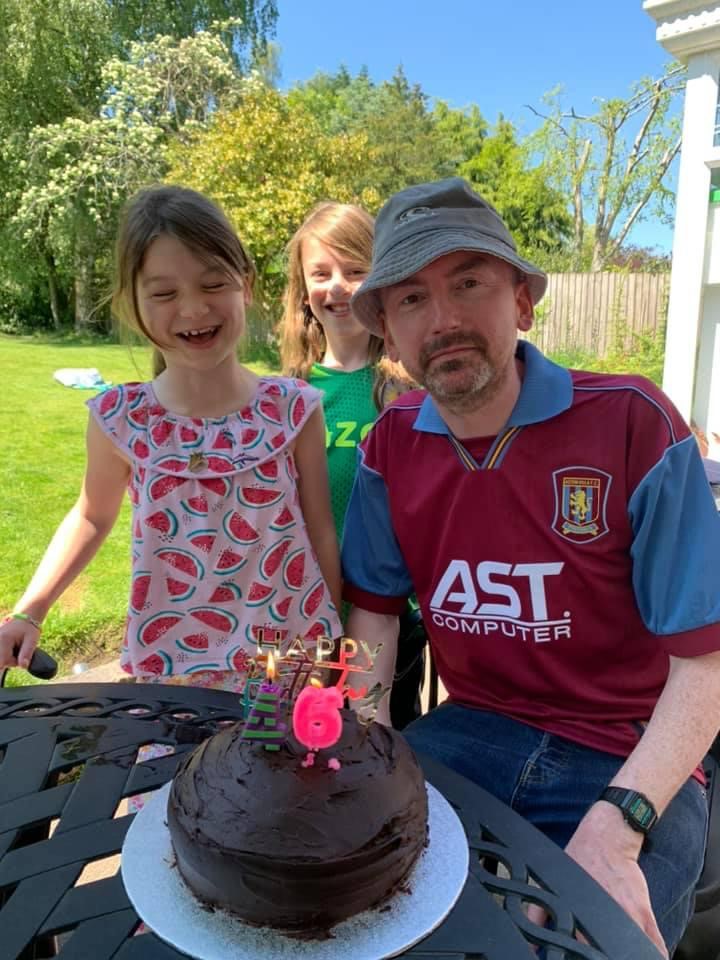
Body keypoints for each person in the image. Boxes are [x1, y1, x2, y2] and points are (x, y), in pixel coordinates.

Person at [340, 177, 720, 957]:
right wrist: (368, 751)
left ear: (522, 300)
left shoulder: (632, 423)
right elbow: (375, 616)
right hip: (468, 735)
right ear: (387, 329)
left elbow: (705, 663)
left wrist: (619, 828)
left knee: (601, 943)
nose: (442, 320)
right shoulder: (390, 445)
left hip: (633, 754)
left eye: (468, 283)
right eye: (410, 298)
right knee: (342, 915)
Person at [0, 185, 342, 697]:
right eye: (164, 293)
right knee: (177, 779)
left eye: (213, 284)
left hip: (284, 663)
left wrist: (328, 650)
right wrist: (30, 609)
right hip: (171, 668)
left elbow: (319, 531)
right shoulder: (120, 419)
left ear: (245, 285)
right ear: (132, 302)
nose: (193, 309)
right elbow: (92, 516)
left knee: (282, 774)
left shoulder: (294, 410)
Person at [279, 200, 424, 728]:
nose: (337, 286)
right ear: (303, 290)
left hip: (390, 621)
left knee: (382, 746)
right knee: (300, 753)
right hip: (304, 621)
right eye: (321, 273)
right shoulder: (287, 397)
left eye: (355, 270)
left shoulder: (409, 389)